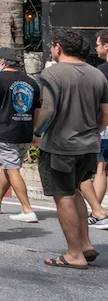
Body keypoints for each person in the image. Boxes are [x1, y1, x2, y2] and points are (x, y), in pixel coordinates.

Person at [34, 29, 108, 269]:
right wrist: (94, 131)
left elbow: (48, 109)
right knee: (75, 190)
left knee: (63, 195)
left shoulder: (51, 74)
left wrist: (37, 132)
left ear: (58, 47)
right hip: (88, 145)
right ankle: (85, 244)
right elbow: (106, 112)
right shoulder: (98, 76)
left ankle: (74, 254)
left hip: (60, 145)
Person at [0, 47, 40, 223]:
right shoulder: (32, 82)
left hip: (4, 133)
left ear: (3, 62)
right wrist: (34, 131)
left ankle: (27, 209)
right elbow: (37, 111)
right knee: (8, 166)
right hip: (24, 133)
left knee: (12, 169)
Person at [85, 29, 108, 229]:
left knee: (101, 168)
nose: (96, 47)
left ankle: (97, 212)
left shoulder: (101, 71)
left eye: (98, 44)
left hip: (106, 125)